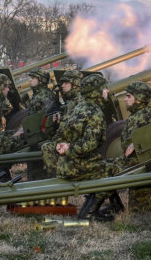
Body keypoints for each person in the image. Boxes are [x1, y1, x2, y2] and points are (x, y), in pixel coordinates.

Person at [40, 72, 118, 221]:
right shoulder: (94, 112)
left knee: (103, 165)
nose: (107, 91)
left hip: (65, 164)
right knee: (112, 169)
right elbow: (89, 145)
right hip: (76, 166)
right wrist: (68, 149)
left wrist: (59, 146)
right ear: (96, 92)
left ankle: (99, 207)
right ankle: (89, 213)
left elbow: (59, 135)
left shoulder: (78, 107)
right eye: (104, 88)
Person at [120, 81, 151, 212]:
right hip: (136, 161)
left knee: (137, 209)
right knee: (136, 207)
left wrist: (136, 143)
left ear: (139, 98)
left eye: (129, 96)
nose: (126, 100)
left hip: (143, 162)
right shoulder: (136, 116)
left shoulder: (148, 116)